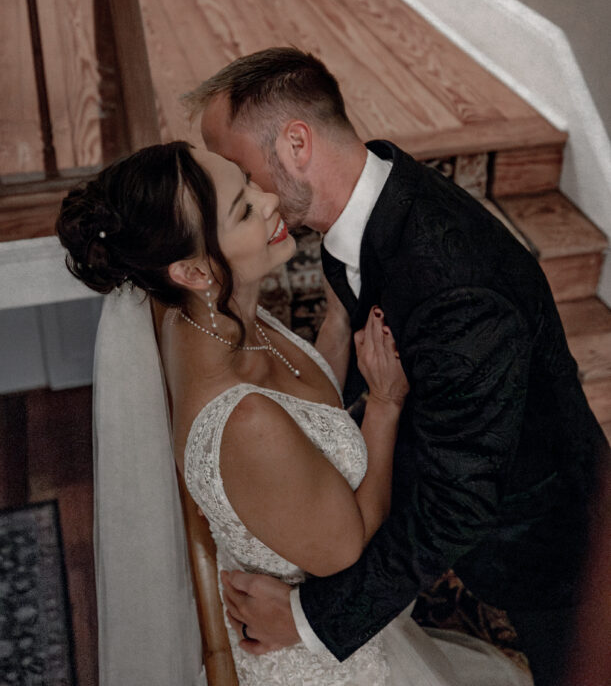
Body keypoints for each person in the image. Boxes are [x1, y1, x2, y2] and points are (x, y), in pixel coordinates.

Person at [184, 46, 610, 686]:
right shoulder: (364, 200)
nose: (250, 195)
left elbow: (458, 503)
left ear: (296, 144)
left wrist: (306, 620)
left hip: (549, 545)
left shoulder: (454, 288)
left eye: (243, 169)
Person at [57, 142, 530, 686]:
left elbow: (306, 409)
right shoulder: (247, 423)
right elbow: (345, 549)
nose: (268, 200)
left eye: (246, 183)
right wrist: (384, 404)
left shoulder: (204, 318)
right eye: (242, 209)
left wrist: (335, 320)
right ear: (191, 270)